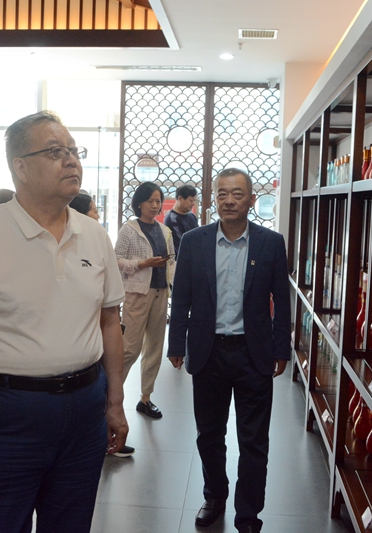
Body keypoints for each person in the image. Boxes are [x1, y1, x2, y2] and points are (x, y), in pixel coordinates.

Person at [0, 111, 128, 533]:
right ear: (20, 167)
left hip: (85, 407)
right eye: (55, 152)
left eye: (74, 151)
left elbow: (109, 321)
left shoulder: (94, 234)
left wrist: (114, 403)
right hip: (9, 412)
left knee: (71, 522)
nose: (72, 160)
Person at [167, 168, 290, 533]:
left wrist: (281, 348)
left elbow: (282, 301)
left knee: (254, 440)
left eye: (237, 194)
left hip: (254, 353)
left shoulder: (271, 243)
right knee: (209, 434)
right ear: (214, 199)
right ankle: (214, 496)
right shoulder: (195, 241)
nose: (229, 200)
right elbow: (182, 297)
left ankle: (248, 514)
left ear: (251, 200)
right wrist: (176, 344)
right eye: (222, 194)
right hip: (209, 352)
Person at [115, 182, 175, 428]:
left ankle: (145, 398)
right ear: (139, 203)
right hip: (137, 294)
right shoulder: (129, 229)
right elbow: (116, 259)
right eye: (150, 200)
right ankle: (111, 397)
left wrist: (173, 283)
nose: (155, 205)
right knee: (130, 348)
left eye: (158, 201)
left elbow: (171, 261)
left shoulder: (165, 230)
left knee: (154, 349)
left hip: (161, 293)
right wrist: (142, 264)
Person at [164, 183, 198, 252]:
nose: (193, 203)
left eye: (194, 200)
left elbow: (198, 236)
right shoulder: (172, 219)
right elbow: (181, 243)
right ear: (180, 198)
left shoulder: (191, 216)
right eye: (191, 200)